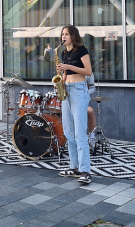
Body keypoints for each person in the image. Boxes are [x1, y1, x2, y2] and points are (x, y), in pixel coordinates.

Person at [56, 25, 93, 184]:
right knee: (69, 132)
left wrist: (69, 67)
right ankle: (74, 166)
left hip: (78, 90)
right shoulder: (64, 53)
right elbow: (65, 73)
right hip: (67, 90)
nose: (63, 37)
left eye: (66, 34)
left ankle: (85, 171)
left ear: (73, 36)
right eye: (62, 34)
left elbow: (88, 71)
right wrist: (61, 82)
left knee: (79, 133)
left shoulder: (82, 50)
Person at [86, 73, 97, 146]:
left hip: (83, 99)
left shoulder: (88, 73)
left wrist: (85, 93)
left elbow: (92, 87)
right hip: (68, 99)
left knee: (90, 111)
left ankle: (92, 137)